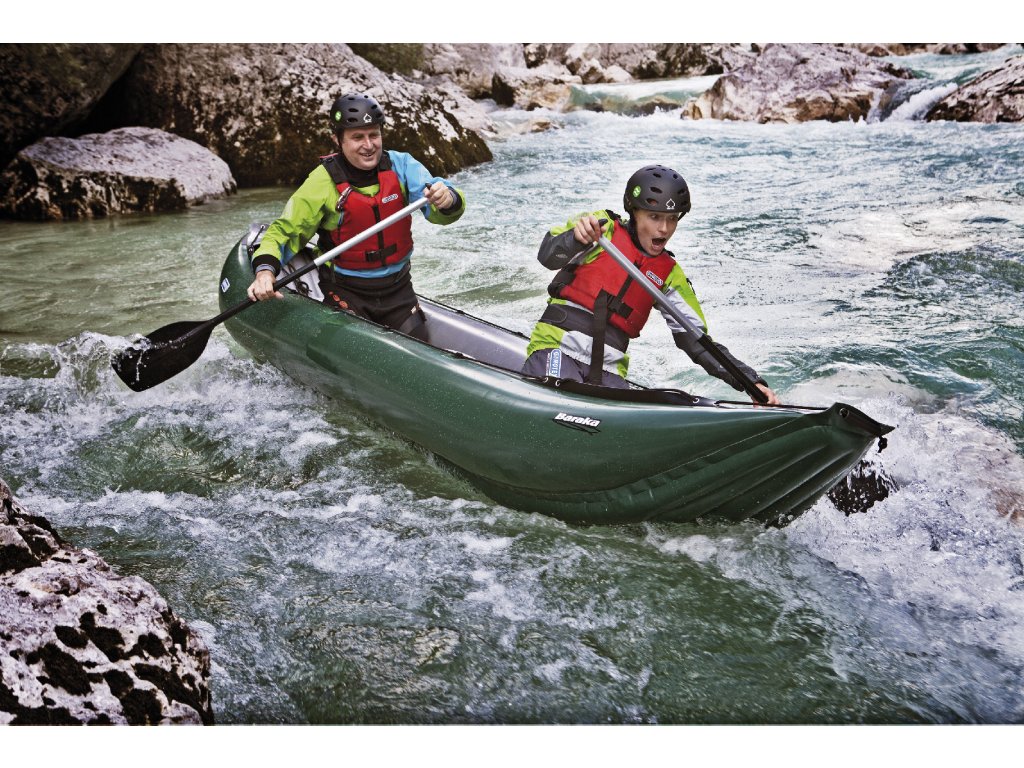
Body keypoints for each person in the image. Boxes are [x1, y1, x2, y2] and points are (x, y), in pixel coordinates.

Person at [521, 164, 780, 405]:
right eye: (654, 217)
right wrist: (576, 239)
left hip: (609, 370)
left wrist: (751, 382)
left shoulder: (669, 274)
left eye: (672, 218)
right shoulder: (602, 230)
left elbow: (698, 343)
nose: (664, 229)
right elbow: (548, 255)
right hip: (556, 348)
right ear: (634, 212)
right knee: (558, 396)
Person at [246, 93, 466, 340]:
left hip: (398, 290)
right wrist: (265, 272)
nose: (369, 145)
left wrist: (449, 199)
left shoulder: (402, 166)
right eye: (358, 137)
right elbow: (285, 231)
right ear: (337, 139)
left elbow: (442, 208)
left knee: (420, 343)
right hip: (346, 291)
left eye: (374, 135)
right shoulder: (322, 182)